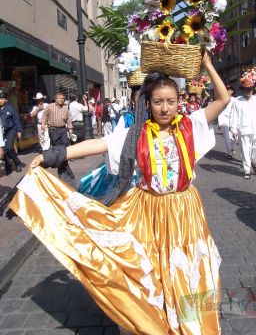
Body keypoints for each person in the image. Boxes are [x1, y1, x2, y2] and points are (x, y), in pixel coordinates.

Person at [10, 52, 229, 335]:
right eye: (158, 101)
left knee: (186, 266)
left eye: (171, 101)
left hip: (184, 210)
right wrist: (54, 154)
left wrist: (208, 65)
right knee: (146, 267)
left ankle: (189, 321)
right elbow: (98, 144)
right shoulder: (136, 134)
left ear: (179, 102)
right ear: (147, 104)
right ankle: (152, 321)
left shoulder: (190, 126)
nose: (165, 108)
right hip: (146, 209)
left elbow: (223, 100)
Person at [231, 79, 256, 179]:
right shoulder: (237, 101)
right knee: (245, 150)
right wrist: (234, 130)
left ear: (253, 89)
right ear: (242, 90)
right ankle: (247, 170)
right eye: (246, 89)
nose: (248, 91)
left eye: (250, 89)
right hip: (243, 129)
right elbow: (234, 116)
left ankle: (253, 162)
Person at [41, 92, 75, 183]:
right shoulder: (50, 106)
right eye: (60, 98)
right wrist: (43, 124)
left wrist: (70, 128)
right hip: (53, 129)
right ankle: (62, 164)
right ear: (56, 99)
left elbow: (68, 118)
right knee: (57, 146)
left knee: (65, 145)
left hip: (63, 129)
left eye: (63, 98)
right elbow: (44, 116)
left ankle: (63, 162)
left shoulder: (65, 107)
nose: (62, 100)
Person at [0, 89, 23, 175]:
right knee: (4, 150)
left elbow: (16, 119)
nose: (0, 100)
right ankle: (8, 167)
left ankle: (17, 162)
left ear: (6, 100)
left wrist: (19, 130)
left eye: (2, 99)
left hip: (11, 129)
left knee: (9, 148)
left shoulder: (10, 107)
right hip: (1, 132)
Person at [218, 85, 236, 159]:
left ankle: (231, 148)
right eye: (228, 90)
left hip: (233, 119)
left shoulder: (235, 100)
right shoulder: (222, 99)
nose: (229, 91)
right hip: (224, 119)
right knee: (227, 137)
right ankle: (229, 153)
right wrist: (220, 122)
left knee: (234, 137)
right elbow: (220, 111)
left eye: (231, 90)